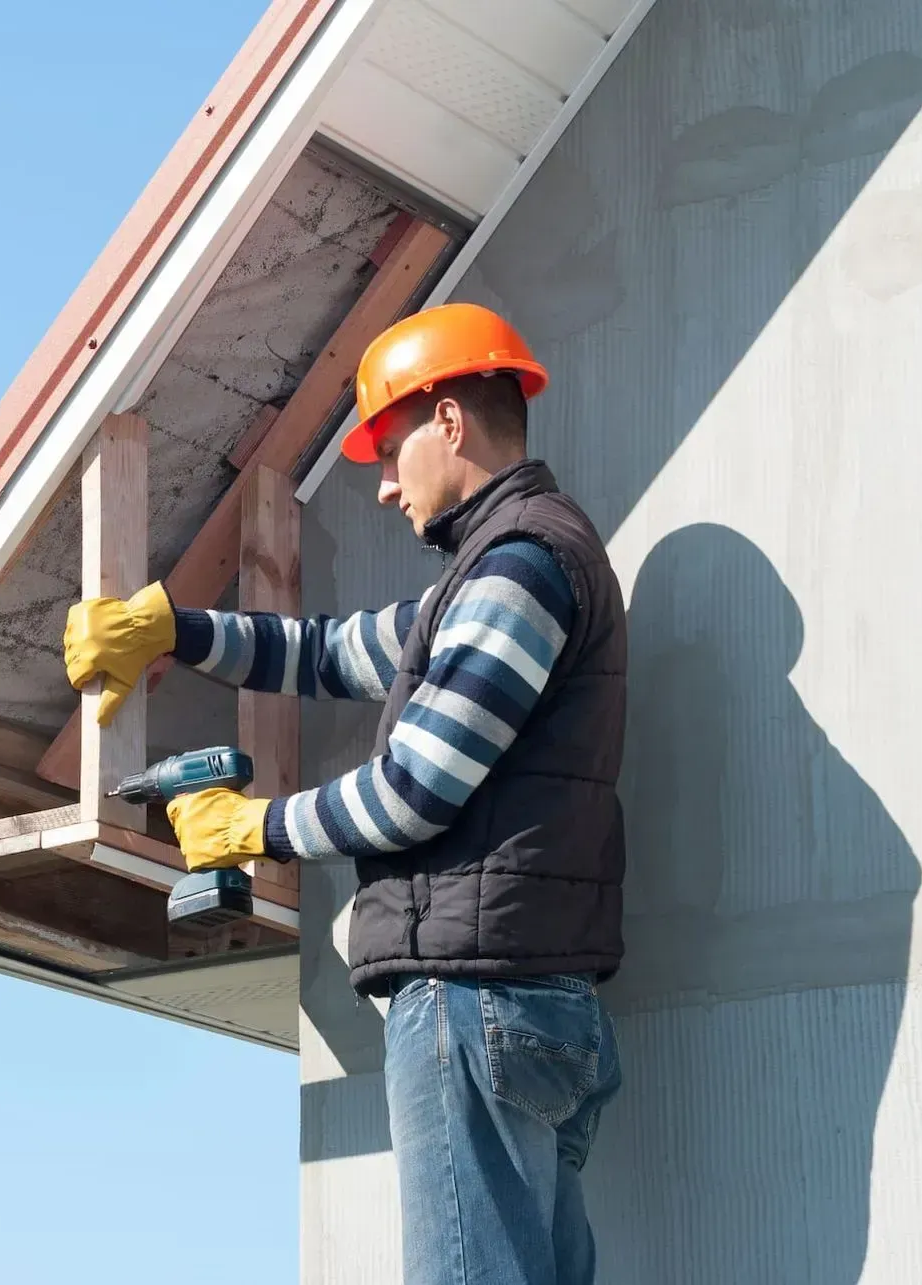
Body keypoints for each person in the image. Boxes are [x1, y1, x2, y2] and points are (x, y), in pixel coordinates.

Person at [63, 302, 628, 1285]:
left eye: (389, 445)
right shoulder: (498, 572)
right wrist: (175, 629)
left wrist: (256, 826)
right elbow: (336, 650)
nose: (380, 484)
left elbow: (415, 788)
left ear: (449, 420)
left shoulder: (520, 568)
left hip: (473, 995)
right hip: (526, 1001)